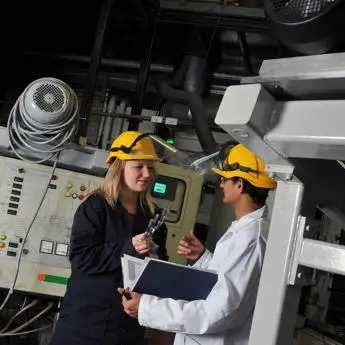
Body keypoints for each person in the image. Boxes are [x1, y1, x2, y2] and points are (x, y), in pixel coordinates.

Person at [118, 143, 277, 345]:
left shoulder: (250, 239)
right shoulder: (244, 231)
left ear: (240, 184)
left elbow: (220, 310)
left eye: (224, 179)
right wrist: (204, 258)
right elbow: (224, 281)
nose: (220, 184)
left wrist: (147, 307)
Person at [50, 131, 169, 345]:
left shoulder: (153, 216)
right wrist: (128, 247)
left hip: (126, 328)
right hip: (85, 325)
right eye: (138, 166)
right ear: (119, 167)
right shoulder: (96, 207)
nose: (147, 173)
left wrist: (156, 260)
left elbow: (160, 270)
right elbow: (81, 257)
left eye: (150, 167)